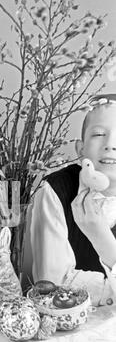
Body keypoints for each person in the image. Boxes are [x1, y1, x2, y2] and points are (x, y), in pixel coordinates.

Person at [31, 93, 116, 306]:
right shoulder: (57, 190)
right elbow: (51, 285)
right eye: (98, 134)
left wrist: (102, 240)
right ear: (80, 149)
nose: (111, 144)